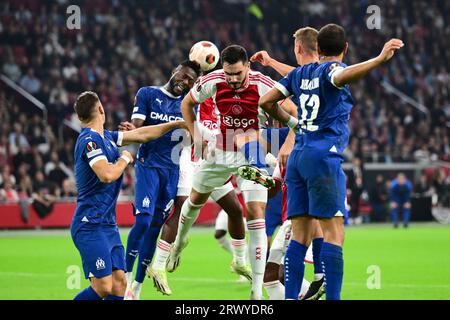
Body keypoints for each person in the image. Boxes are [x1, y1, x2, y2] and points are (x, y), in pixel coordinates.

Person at [258, 23, 403, 299]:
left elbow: (266, 101)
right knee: (334, 235)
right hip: (323, 158)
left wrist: (293, 123)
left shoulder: (300, 74)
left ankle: (290, 298)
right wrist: (379, 58)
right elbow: (342, 75)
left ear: (318, 49)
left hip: (298, 158)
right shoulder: (332, 71)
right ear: (345, 48)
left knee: (299, 236)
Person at [169, 44, 297, 300]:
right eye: (229, 74)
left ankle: (256, 293)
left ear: (248, 66)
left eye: (238, 73)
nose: (233, 79)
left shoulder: (263, 83)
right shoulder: (213, 81)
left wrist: (289, 140)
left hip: (251, 147)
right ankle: (179, 243)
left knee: (255, 214)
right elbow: (186, 104)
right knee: (194, 201)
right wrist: (195, 136)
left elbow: (293, 111)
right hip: (220, 148)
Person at [71, 91, 186, 300]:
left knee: (120, 285)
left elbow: (143, 134)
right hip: (89, 224)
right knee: (103, 286)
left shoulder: (106, 137)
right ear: (101, 110)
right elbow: (107, 174)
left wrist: (176, 124)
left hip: (107, 225)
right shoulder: (89, 141)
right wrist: (124, 159)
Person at [145, 97, 251, 296]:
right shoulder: (196, 101)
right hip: (191, 162)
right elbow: (182, 123)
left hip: (214, 164)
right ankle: (158, 265)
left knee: (235, 210)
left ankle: (240, 261)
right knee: (182, 207)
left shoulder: (228, 108)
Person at [251, 27, 326, 300]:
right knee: (274, 274)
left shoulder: (287, 133)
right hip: (320, 156)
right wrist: (270, 63)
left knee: (273, 274)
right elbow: (295, 78)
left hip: (305, 165)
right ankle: (319, 277)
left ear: (298, 49)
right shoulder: (320, 75)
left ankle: (320, 276)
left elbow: (290, 103)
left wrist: (291, 136)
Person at [119, 60, 202, 300]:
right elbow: (137, 127)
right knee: (143, 221)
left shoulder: (188, 106)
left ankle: (135, 287)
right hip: (148, 166)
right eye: (183, 76)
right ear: (174, 71)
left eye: (190, 81)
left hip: (171, 172)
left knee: (155, 226)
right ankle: (124, 274)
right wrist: (129, 130)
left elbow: (191, 138)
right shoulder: (148, 93)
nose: (184, 83)